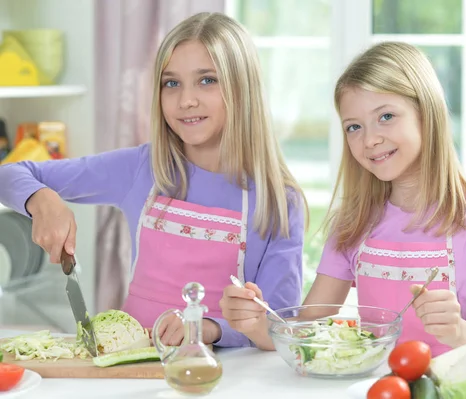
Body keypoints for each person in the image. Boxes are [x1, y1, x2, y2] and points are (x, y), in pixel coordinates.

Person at [0, 12, 306, 349]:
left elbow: (280, 327)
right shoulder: (142, 168)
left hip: (224, 375)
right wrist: (42, 200)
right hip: (133, 362)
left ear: (242, 87)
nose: (186, 100)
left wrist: (210, 328)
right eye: (171, 83)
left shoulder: (279, 201)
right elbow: (10, 174)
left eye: (207, 80)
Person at [219, 41, 466, 356]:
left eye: (386, 117)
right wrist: (255, 324)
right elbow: (306, 331)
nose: (370, 139)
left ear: (426, 113)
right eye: (354, 127)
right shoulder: (353, 224)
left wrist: (459, 331)